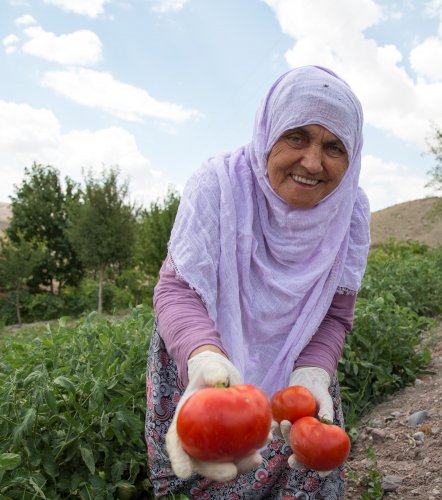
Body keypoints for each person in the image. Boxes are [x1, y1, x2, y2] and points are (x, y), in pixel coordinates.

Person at [145, 65, 371, 499]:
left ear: (353, 154)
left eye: (334, 146)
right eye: (296, 136)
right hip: (200, 361)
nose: (312, 162)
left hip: (298, 373)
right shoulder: (219, 185)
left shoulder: (351, 211)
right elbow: (176, 290)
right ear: (269, 131)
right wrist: (204, 358)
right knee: (203, 475)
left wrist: (312, 372)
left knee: (301, 475)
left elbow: (335, 315)